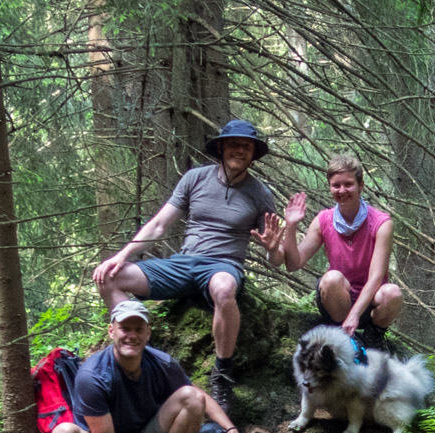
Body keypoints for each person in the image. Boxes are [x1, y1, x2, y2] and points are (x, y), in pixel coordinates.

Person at [91, 119, 289, 408]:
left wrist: (273, 248)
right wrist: (121, 256)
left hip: (224, 265)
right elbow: (159, 225)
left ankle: (222, 374)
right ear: (221, 147)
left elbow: (277, 260)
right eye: (234, 144)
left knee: (223, 289)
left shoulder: (261, 194)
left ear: (253, 154)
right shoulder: (195, 178)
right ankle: (135, 354)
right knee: (110, 278)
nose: (240, 151)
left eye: (247, 147)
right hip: (183, 263)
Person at [49, 300, 241, 433]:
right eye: (125, 329)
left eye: (139, 329)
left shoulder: (161, 363)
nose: (132, 336)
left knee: (191, 398)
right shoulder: (92, 376)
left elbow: (198, 395)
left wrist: (231, 430)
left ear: (148, 333)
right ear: (111, 331)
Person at [275, 152, 405, 349]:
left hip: (370, 300)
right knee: (332, 278)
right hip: (338, 299)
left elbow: (376, 277)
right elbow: (294, 263)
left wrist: (355, 315)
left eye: (348, 184)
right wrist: (291, 226)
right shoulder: (323, 220)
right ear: (330, 187)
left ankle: (374, 336)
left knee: (393, 293)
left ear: (361, 185)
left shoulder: (381, 223)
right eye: (336, 185)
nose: (342, 190)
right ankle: (342, 335)